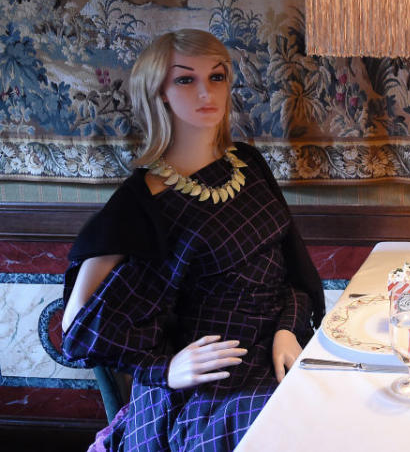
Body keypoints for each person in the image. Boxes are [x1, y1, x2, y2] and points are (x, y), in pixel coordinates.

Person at [61, 29, 325, 451]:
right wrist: (165, 369)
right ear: (160, 92)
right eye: (186, 79)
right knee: (291, 429)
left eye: (217, 77)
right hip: (208, 386)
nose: (207, 91)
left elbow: (288, 271)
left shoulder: (248, 164)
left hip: (277, 348)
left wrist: (288, 330)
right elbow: (77, 328)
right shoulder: (141, 203)